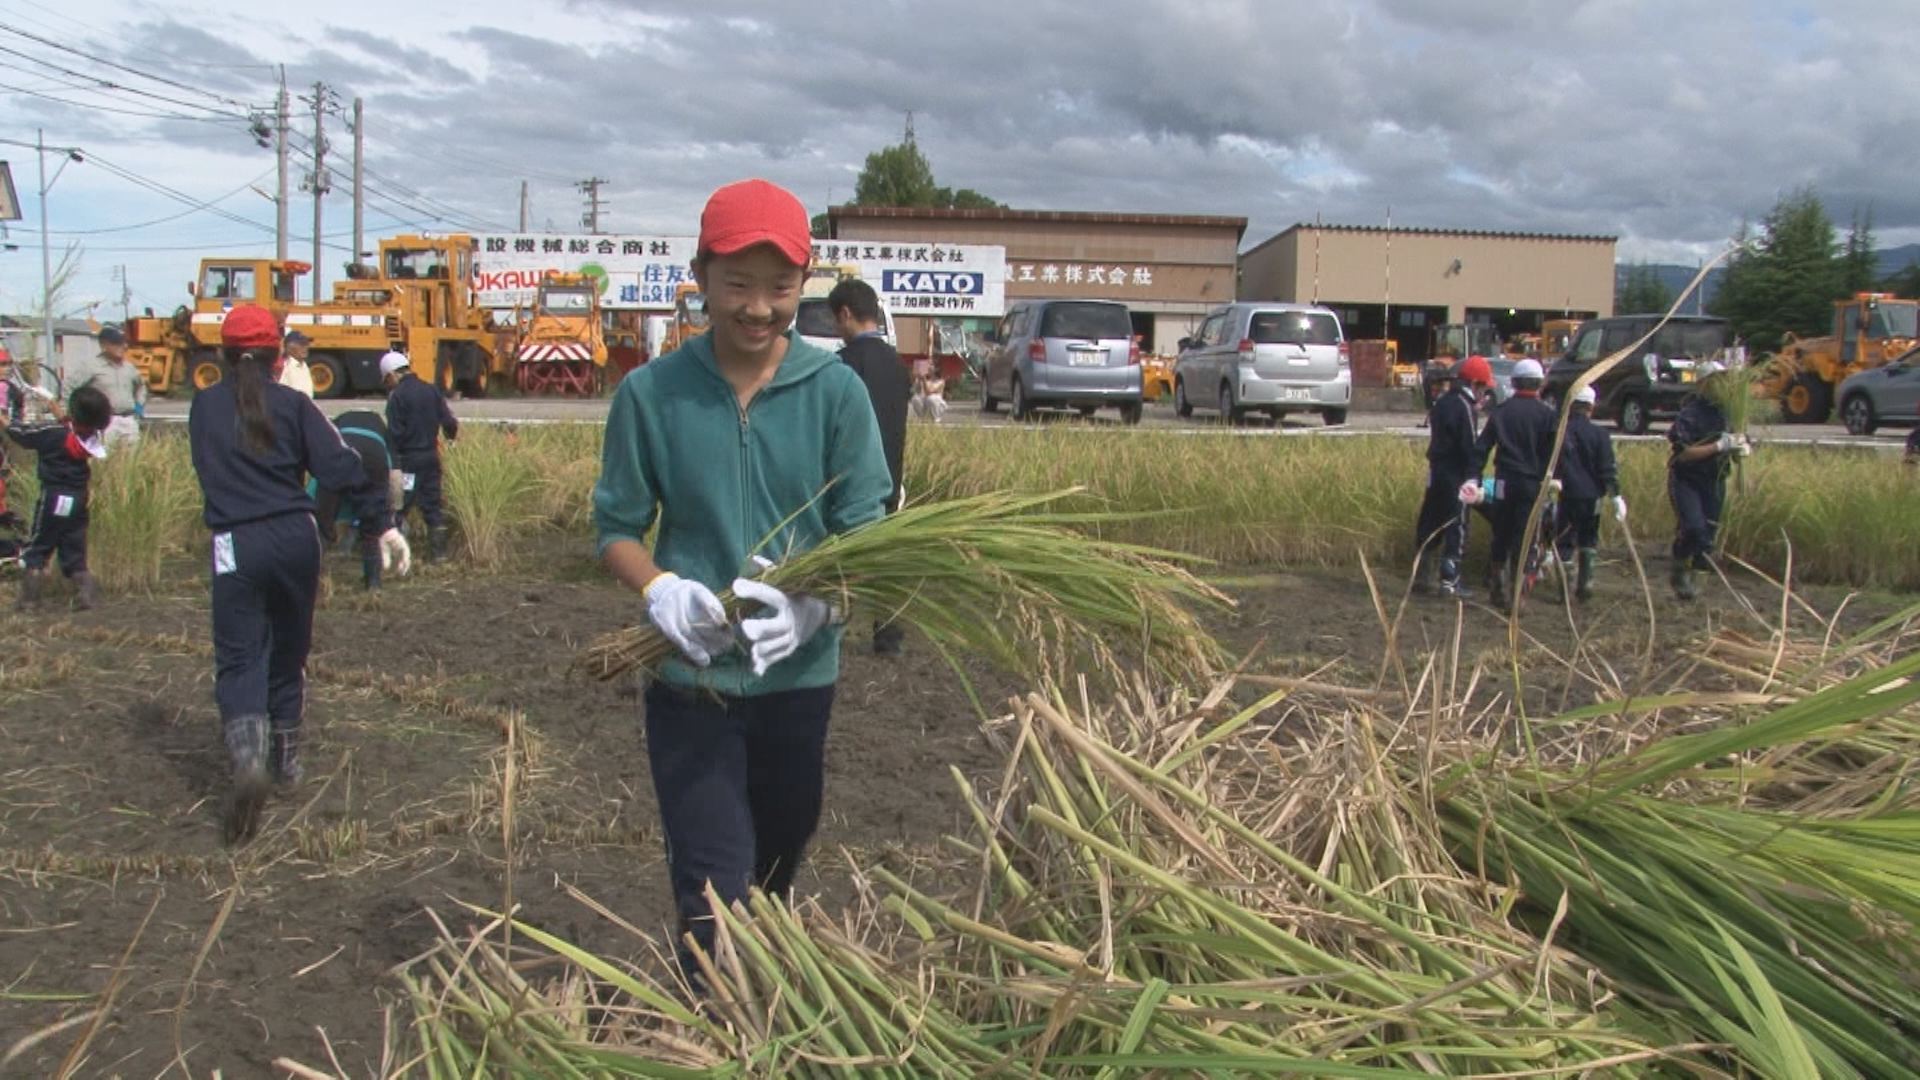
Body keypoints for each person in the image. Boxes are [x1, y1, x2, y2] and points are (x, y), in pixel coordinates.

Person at [592, 178, 893, 982]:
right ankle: (718, 1028)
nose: (759, 308)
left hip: (797, 683)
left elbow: (868, 533)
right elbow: (615, 527)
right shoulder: (652, 395)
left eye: (781, 288)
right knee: (713, 896)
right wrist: (659, 589)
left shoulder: (836, 395)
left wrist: (819, 606)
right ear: (700, 275)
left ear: (806, 284)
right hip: (694, 687)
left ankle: (756, 1002)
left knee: (771, 880)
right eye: (738, 286)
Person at [188, 304, 408, 844]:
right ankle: (285, 765)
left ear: (221, 353)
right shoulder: (294, 406)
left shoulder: (202, 409)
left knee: (240, 655)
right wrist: (381, 524)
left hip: (234, 542)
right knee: (289, 651)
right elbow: (342, 466)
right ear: (278, 354)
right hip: (294, 538)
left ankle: (247, 763)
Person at [828, 277, 911, 657]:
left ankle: (828, 628)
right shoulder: (897, 365)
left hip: (845, 481)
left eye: (834, 320)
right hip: (891, 478)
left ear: (846, 314)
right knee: (887, 562)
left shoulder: (841, 367)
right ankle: (888, 637)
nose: (835, 329)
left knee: (834, 558)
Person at [1461, 357, 1557, 607]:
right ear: (1540, 383)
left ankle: (1497, 588)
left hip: (1504, 483)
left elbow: (1481, 448)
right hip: (1532, 485)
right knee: (1525, 538)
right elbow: (1556, 454)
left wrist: (1473, 477)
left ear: (1513, 383)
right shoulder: (1548, 416)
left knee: (1501, 533)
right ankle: (1518, 596)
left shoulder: (1501, 413)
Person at [7, 384, 111, 610]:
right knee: (73, 549)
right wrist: (50, 401)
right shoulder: (88, 436)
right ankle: (87, 595)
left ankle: (29, 600)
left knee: (38, 546)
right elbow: (67, 423)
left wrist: (5, 417)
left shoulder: (52, 435)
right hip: (79, 497)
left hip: (55, 497)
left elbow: (20, 433)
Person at [1665, 359, 1749, 601]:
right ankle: (1679, 566)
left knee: (1708, 536)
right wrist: (1719, 446)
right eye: (1715, 381)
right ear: (1702, 384)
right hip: (1687, 480)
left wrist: (1740, 448)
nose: (1720, 385)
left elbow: (1739, 440)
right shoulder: (1689, 414)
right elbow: (1684, 453)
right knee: (1694, 528)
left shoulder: (1729, 414)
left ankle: (1695, 588)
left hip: (1714, 480)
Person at [1414, 353, 1491, 600]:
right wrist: (1473, 477)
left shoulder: (1443, 402)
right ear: (1476, 384)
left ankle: (1421, 576)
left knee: (1430, 524)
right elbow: (1469, 445)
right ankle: (1450, 581)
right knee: (1457, 526)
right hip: (1456, 474)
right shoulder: (1464, 408)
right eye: (1484, 388)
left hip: (1436, 472)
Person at [312, 408, 407, 590]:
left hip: (341, 452)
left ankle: (313, 580)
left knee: (323, 524)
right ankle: (373, 584)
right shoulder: (380, 426)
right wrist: (394, 510)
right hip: (375, 457)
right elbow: (394, 470)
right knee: (371, 524)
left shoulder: (337, 422)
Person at [382, 350, 458, 561]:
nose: (386, 385)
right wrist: (451, 439)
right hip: (431, 459)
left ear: (391, 375)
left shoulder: (397, 396)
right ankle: (439, 554)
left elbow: (394, 434)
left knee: (398, 506)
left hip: (406, 462)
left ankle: (397, 555)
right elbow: (449, 422)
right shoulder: (431, 390)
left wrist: (392, 463)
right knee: (433, 505)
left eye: (386, 380)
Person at [1554, 386, 1625, 602]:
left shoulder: (1559, 432)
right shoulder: (1600, 434)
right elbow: (1607, 469)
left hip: (1565, 496)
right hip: (1592, 497)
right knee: (1588, 538)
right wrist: (1616, 496)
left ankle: (1564, 590)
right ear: (1591, 407)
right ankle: (1586, 583)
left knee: (1564, 540)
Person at [63, 324, 147, 450]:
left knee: (132, 459)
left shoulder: (129, 368)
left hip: (129, 420)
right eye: (117, 343)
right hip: (105, 422)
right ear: (104, 345)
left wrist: (139, 406)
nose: (123, 347)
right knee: (104, 458)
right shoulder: (91, 366)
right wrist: (72, 414)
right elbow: (69, 387)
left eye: (124, 343)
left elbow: (141, 386)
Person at [279, 330, 316, 398]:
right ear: (289, 347)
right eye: (301, 344)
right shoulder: (284, 366)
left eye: (306, 344)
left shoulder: (304, 366)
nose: (305, 347)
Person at [910, 359, 948, 423]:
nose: (928, 366)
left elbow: (929, 392)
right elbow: (915, 390)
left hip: (936, 404)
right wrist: (918, 379)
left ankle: (936, 419)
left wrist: (924, 378)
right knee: (915, 398)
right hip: (925, 404)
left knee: (931, 398)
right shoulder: (922, 379)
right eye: (927, 364)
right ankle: (923, 418)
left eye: (931, 364)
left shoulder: (940, 381)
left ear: (936, 368)